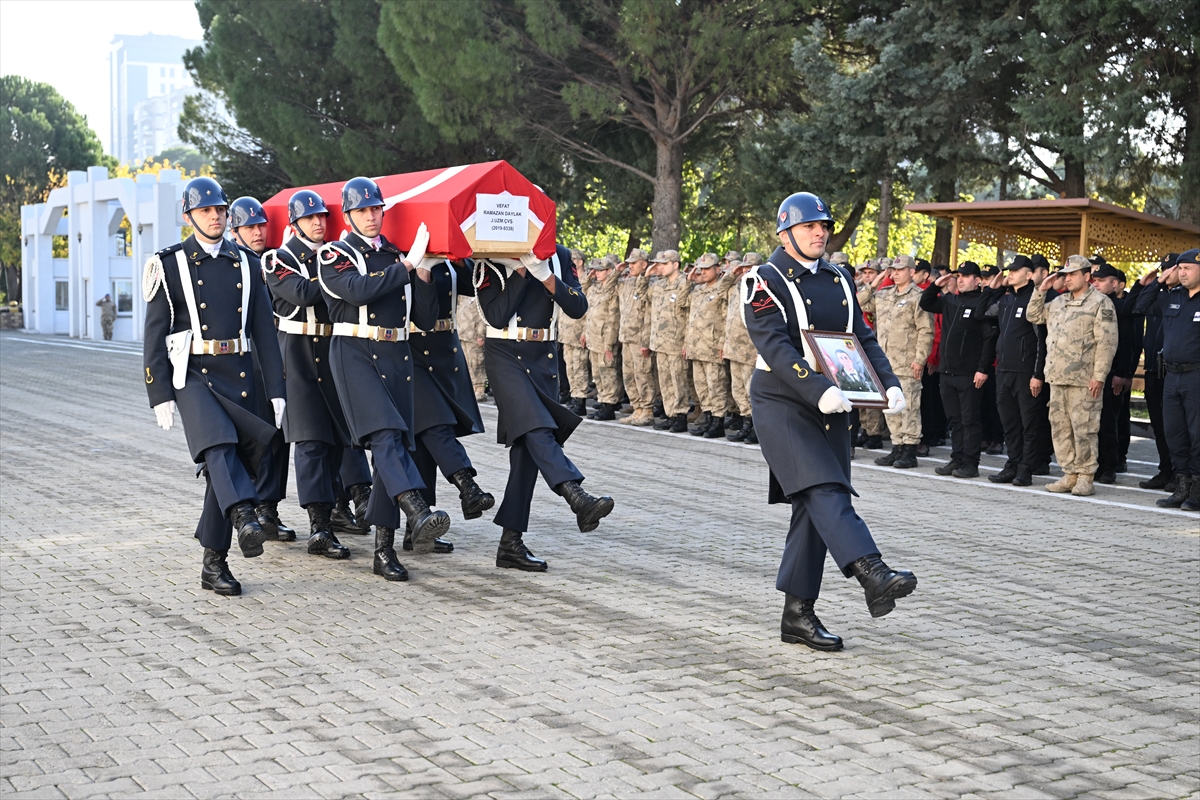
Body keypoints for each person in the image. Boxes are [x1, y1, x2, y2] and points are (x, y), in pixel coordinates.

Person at [742, 191, 916, 652]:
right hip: (784, 399)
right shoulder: (763, 279)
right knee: (824, 488)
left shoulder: (838, 276)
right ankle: (871, 571)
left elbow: (860, 336)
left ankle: (797, 615)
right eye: (809, 226)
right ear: (785, 233)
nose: (820, 233)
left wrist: (887, 383)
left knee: (812, 506)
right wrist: (817, 388)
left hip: (836, 401)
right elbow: (773, 344)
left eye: (824, 226)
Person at [142, 176, 286, 596]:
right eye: (206, 210)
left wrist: (277, 388)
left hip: (238, 371)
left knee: (230, 464)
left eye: (220, 210)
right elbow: (155, 333)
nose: (216, 216)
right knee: (219, 445)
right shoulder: (169, 263)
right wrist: (159, 392)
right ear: (189, 216)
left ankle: (213, 563)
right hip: (192, 373)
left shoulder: (248, 262)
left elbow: (264, 331)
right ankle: (244, 514)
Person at [316, 176, 447, 582]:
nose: (371, 216)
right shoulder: (334, 254)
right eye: (362, 210)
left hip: (397, 354)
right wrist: (406, 266)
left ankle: (383, 550)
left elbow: (424, 319)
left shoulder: (396, 254)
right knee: (386, 437)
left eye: (376, 208)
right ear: (348, 215)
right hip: (354, 353)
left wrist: (423, 273)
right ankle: (417, 510)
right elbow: (357, 291)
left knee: (393, 451)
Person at [475, 245, 615, 571]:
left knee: (528, 453)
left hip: (544, 357)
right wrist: (521, 272)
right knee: (537, 429)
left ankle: (510, 544)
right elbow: (496, 315)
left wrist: (546, 276)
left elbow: (578, 307)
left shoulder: (559, 256)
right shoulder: (489, 256)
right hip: (505, 353)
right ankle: (575, 495)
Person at [263, 189, 370, 562]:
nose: (318, 222)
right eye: (310, 218)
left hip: (333, 351)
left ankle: (342, 508)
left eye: (322, 216)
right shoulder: (278, 259)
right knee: (309, 442)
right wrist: (342, 279)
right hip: (297, 354)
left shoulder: (336, 255)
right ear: (295, 224)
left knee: (340, 438)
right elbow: (302, 293)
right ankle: (319, 527)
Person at [405, 256, 495, 551]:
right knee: (436, 424)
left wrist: (458, 257)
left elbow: (476, 285)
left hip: (444, 351)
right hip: (410, 350)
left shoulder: (447, 259)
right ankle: (467, 486)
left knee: (424, 440)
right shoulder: (402, 256)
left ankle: (417, 525)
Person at [228, 195, 297, 543]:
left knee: (278, 435)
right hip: (240, 359)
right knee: (252, 438)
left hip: (271, 355)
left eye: (261, 225)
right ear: (235, 230)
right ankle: (248, 509)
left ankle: (268, 509)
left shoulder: (271, 260)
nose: (258, 232)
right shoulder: (232, 261)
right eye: (250, 227)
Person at [1025, 255, 1119, 497]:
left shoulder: (1101, 303)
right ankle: (1069, 474)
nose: (1067, 279)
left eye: (1072, 275)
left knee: (1084, 429)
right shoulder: (1059, 302)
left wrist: (1099, 376)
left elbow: (1107, 342)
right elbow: (1033, 316)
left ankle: (1086, 476)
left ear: (1087, 276)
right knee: (1060, 429)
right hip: (1057, 378)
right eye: (1064, 275)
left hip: (1084, 380)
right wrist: (1041, 290)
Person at [1133, 249, 1200, 510]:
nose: (1181, 273)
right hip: (1172, 376)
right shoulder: (1173, 297)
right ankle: (1181, 487)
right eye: (1179, 268)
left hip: (1196, 376)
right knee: (1174, 432)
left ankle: (1197, 490)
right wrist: (1159, 281)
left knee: (1197, 434)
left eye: (1187, 268)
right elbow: (1140, 306)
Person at [919, 261, 999, 478]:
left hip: (969, 372)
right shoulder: (951, 300)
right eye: (959, 276)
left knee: (970, 420)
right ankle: (957, 458)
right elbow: (926, 302)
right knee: (955, 419)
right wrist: (936, 285)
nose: (960, 279)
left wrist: (982, 368)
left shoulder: (981, 303)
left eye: (965, 276)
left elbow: (989, 340)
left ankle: (971, 463)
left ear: (977, 280)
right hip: (948, 371)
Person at [858, 254, 932, 469]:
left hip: (907, 363)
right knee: (890, 407)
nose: (896, 274)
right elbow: (860, 303)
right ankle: (897, 446)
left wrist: (920, 359)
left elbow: (926, 330)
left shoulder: (918, 297)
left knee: (909, 407)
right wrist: (874, 283)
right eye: (893, 270)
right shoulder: (884, 294)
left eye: (900, 270)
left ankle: (910, 450)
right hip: (885, 362)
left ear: (912, 271)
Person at [981, 255, 1048, 486]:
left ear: (1028, 275)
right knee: (1009, 423)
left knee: (1028, 424)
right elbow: (982, 312)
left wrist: (1037, 374)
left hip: (1025, 372)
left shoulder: (1034, 300)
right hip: (1004, 370)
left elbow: (1041, 341)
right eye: (1009, 270)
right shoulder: (1006, 299)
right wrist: (994, 289)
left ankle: (1026, 469)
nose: (1010, 273)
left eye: (1015, 271)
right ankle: (1012, 465)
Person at [1091, 263, 1143, 484]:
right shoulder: (1090, 303)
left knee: (1108, 422)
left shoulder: (1121, 307)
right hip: (1089, 372)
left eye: (1101, 281)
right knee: (1089, 422)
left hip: (1112, 372)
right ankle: (1091, 464)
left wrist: (1123, 373)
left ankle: (1109, 466)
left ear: (1115, 283)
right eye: (1095, 280)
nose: (1096, 284)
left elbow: (1128, 343)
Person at [1133, 254, 1179, 491]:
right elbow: (1137, 307)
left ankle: (1180, 474)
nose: (1166, 274)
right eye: (1164, 270)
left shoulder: (1182, 297)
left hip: (1172, 371)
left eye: (1171, 270)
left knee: (1175, 427)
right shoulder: (1158, 294)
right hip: (1153, 368)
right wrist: (1150, 283)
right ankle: (1165, 470)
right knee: (1158, 425)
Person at [684, 253, 736, 438]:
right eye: (701, 269)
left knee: (716, 386)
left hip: (712, 346)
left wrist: (723, 344)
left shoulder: (722, 290)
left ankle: (718, 421)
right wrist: (689, 281)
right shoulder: (698, 290)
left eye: (707, 269)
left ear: (717, 269)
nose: (703, 272)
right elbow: (683, 305)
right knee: (701, 386)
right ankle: (707, 417)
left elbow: (726, 319)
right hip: (696, 347)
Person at [649, 250, 694, 433]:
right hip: (660, 342)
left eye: (664, 264)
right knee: (665, 381)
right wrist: (646, 276)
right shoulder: (658, 285)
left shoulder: (685, 284)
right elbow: (641, 296)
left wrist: (687, 343)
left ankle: (681, 415)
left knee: (678, 380)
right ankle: (670, 415)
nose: (660, 267)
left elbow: (689, 315)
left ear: (676, 265)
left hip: (676, 342)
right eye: (659, 264)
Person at [721, 252, 761, 443]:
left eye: (749, 268)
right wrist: (732, 273)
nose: (745, 271)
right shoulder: (735, 287)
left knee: (750, 389)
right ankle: (746, 423)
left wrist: (761, 349)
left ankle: (757, 427)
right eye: (743, 268)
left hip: (750, 349)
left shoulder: (761, 289)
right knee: (738, 390)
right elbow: (720, 289)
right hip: (733, 348)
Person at [616, 248, 656, 426]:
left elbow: (649, 316)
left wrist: (646, 341)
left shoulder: (650, 284)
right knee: (629, 375)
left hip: (640, 338)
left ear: (644, 264)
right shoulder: (627, 282)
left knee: (643, 374)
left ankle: (647, 410)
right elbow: (608, 287)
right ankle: (637, 408)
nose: (630, 266)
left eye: (634, 263)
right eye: (629, 263)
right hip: (626, 337)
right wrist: (617, 271)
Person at [582, 256, 623, 420]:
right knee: (597, 374)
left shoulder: (613, 291)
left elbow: (613, 320)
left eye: (600, 271)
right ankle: (602, 401)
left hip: (605, 338)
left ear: (609, 271)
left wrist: (609, 344)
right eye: (595, 271)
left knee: (608, 373)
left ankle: (609, 405)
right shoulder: (594, 289)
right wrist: (585, 332)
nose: (597, 273)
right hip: (593, 338)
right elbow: (588, 312)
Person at [558, 256, 593, 417]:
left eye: (574, 259)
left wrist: (586, 331)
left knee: (579, 368)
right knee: (570, 368)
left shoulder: (586, 282)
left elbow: (589, 310)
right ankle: (574, 396)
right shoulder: (567, 279)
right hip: (566, 332)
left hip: (578, 332)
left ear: (580, 262)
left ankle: (580, 400)